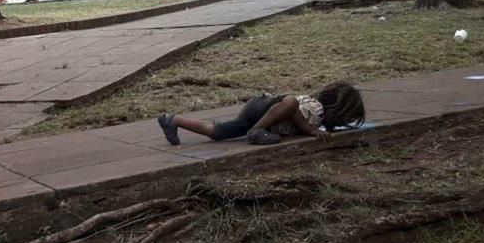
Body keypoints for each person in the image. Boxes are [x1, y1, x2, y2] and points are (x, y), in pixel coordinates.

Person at [157, 81, 366, 146]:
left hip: (256, 110)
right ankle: (256, 131)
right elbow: (291, 107)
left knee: (217, 132)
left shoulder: (316, 116)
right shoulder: (315, 109)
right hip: (265, 107)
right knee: (290, 102)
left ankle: (173, 120)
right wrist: (310, 131)